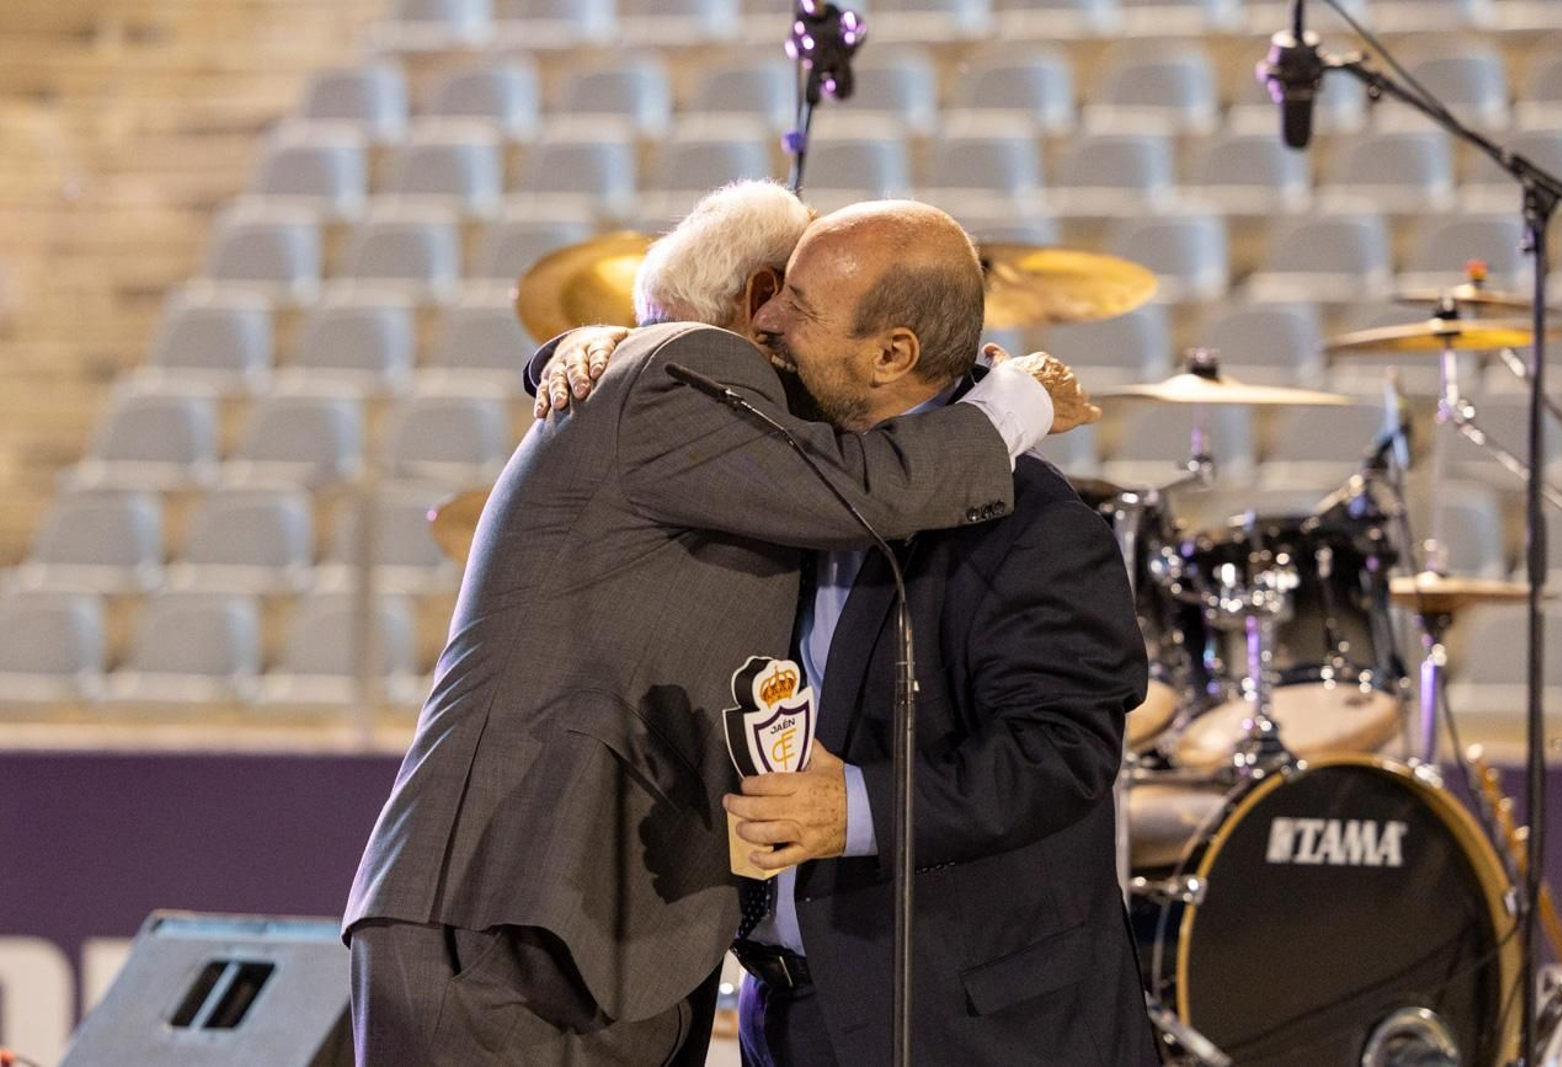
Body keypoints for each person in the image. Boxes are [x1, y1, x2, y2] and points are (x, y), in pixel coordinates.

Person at [343, 181, 1092, 1067]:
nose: (788, 331)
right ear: (759, 296)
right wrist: (1013, 406)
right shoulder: (686, 365)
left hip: (590, 931)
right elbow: (870, 489)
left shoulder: (686, 404)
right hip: (516, 919)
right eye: (800, 302)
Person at [543, 190, 1158, 1065]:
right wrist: (599, 349)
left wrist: (858, 806)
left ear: (891, 354)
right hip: (790, 1014)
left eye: (797, 305)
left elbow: (1061, 755)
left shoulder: (1035, 522)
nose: (767, 320)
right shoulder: (778, 476)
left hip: (975, 1030)